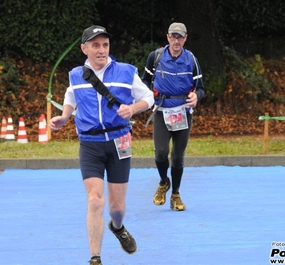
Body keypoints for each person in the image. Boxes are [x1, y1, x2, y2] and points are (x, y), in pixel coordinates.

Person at [49, 25, 154, 265]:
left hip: (120, 142)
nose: (101, 50)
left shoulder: (126, 72)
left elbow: (148, 97)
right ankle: (95, 258)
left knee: (117, 208)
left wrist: (133, 108)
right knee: (95, 200)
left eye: (105, 45)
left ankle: (117, 227)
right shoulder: (76, 75)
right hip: (90, 144)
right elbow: (70, 97)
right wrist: (64, 117)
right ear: (84, 49)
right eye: (95, 45)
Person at [141, 22, 205, 211]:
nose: (176, 41)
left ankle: (175, 194)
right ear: (168, 37)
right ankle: (163, 182)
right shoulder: (156, 56)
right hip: (161, 111)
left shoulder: (191, 59)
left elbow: (201, 88)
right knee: (161, 152)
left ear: (185, 39)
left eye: (180, 37)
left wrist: (196, 97)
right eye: (173, 36)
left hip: (183, 113)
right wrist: (148, 94)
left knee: (178, 157)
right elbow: (144, 80)